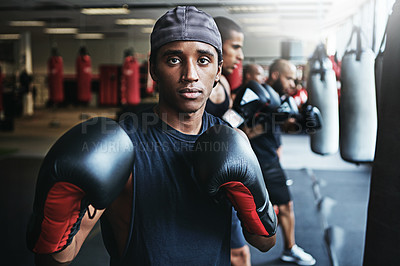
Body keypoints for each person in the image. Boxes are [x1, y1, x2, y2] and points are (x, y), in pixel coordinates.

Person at [27, 6, 277, 265]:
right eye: (173, 59)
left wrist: (257, 206)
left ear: (218, 70)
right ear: (153, 69)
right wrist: (57, 216)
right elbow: (54, 258)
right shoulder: (120, 146)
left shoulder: (231, 142)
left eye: (203, 60)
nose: (190, 75)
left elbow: (265, 242)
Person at [240, 60, 316, 266]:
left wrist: (303, 123)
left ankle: (290, 248)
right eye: (289, 78)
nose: (294, 83)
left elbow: (286, 125)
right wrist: (269, 121)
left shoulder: (281, 99)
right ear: (275, 75)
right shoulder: (254, 94)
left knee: (285, 205)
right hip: (254, 161)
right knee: (247, 211)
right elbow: (240, 132)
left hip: (270, 158)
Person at [204, 17, 251, 266]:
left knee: (235, 251)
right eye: (236, 47)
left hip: (225, 171)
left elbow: (230, 119)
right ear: (219, 44)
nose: (240, 55)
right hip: (203, 173)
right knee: (237, 253)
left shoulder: (222, 80)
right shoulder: (198, 83)